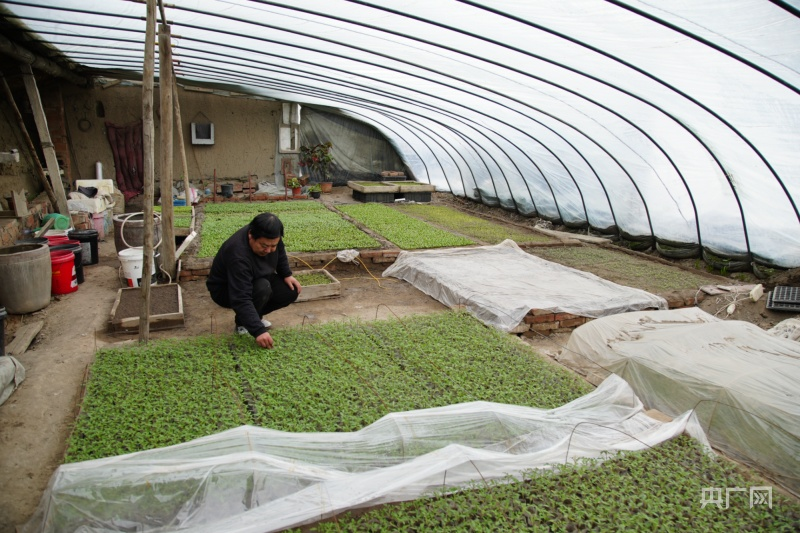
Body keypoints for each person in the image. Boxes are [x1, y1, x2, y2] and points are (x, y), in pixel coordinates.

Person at [206, 212, 301, 348]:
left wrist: (287, 274)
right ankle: (243, 323)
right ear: (251, 236)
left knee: (290, 290)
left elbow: (280, 251)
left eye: (273, 245)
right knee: (263, 287)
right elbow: (241, 298)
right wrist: (258, 331)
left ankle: (253, 317)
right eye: (264, 246)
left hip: (256, 278)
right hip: (226, 289)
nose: (269, 250)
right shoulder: (238, 255)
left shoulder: (270, 237)